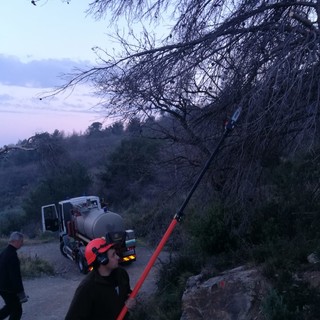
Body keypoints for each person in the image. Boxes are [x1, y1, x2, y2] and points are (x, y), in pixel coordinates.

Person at [65, 237, 135, 320]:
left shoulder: (121, 274)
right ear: (102, 260)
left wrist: (130, 300)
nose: (117, 257)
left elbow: (127, 293)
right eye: (113, 255)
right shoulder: (87, 288)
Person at [0, 231, 28, 320]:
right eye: (21, 241)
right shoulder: (12, 255)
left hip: (2, 287)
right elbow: (15, 276)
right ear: (15, 241)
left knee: (9, 308)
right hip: (9, 289)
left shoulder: (4, 252)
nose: (22, 243)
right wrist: (21, 293)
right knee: (17, 311)